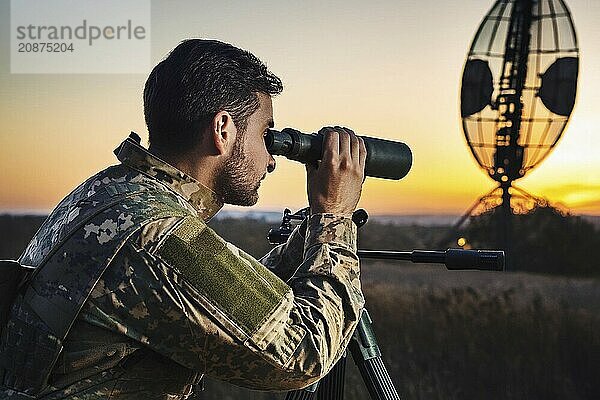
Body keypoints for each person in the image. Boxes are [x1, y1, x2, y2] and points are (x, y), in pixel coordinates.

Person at [0, 39, 366, 399]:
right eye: (265, 134)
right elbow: (301, 354)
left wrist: (309, 236)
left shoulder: (107, 193)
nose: (271, 159)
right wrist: (334, 219)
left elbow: (211, 298)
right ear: (222, 130)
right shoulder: (159, 235)